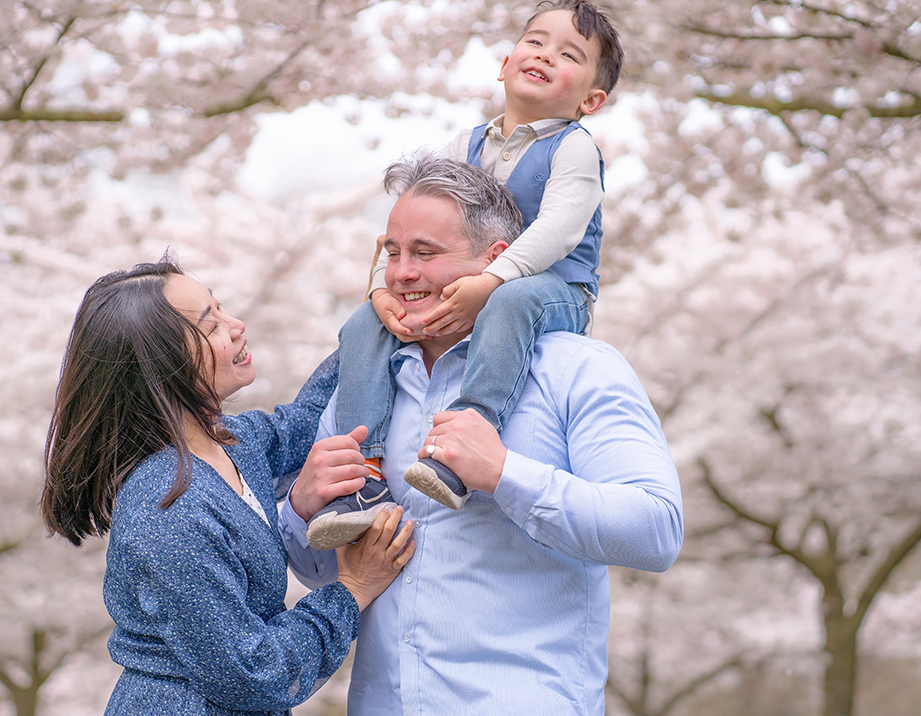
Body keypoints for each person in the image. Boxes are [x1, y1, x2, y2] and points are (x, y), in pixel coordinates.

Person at [284, 155, 683, 714]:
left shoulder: (579, 369)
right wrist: (302, 510)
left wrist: (503, 473)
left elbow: (655, 531)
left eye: (425, 253)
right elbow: (319, 567)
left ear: (495, 260)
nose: (401, 274)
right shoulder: (364, 387)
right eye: (392, 253)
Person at [307, 0, 624, 549]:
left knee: (513, 301)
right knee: (362, 326)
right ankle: (364, 471)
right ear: (504, 65)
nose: (547, 55)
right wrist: (383, 291)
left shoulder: (574, 148)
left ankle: (464, 436)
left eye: (571, 55)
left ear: (591, 100)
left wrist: (491, 281)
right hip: (476, 282)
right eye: (535, 42)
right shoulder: (467, 143)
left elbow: (559, 230)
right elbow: (416, 218)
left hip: (554, 290)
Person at [40, 256, 415, 715]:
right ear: (163, 363)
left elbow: (307, 418)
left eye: (222, 309)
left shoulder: (232, 444)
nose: (236, 326)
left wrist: (379, 315)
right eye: (210, 324)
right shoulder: (169, 508)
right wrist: (352, 589)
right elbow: (254, 674)